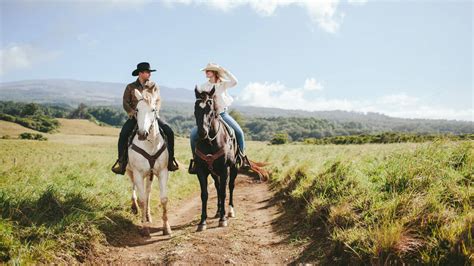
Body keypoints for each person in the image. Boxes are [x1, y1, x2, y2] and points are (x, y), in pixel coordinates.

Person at [111, 62, 179, 174]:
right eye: (147, 72)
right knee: (123, 134)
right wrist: (131, 111)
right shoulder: (130, 87)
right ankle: (122, 162)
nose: (149, 74)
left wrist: (156, 110)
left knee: (169, 132)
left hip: (152, 116)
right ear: (140, 73)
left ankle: (170, 161)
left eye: (149, 72)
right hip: (135, 117)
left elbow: (158, 100)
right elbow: (125, 102)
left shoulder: (154, 86)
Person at [188, 62, 249, 174]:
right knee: (193, 135)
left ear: (215, 72)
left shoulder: (223, 84)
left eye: (209, 70)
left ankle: (242, 158)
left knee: (239, 132)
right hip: (208, 118)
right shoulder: (203, 86)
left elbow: (235, 82)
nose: (206, 72)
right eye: (206, 70)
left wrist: (225, 71)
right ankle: (196, 161)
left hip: (222, 114)